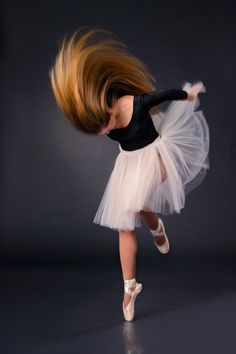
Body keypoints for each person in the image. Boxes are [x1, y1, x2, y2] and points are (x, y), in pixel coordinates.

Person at [49, 27, 210, 322]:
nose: (108, 132)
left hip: (157, 156)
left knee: (134, 206)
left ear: (109, 110)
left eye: (107, 127)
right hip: (129, 163)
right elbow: (107, 131)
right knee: (124, 224)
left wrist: (189, 96)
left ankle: (154, 224)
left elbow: (166, 94)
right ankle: (130, 286)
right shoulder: (99, 116)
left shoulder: (135, 103)